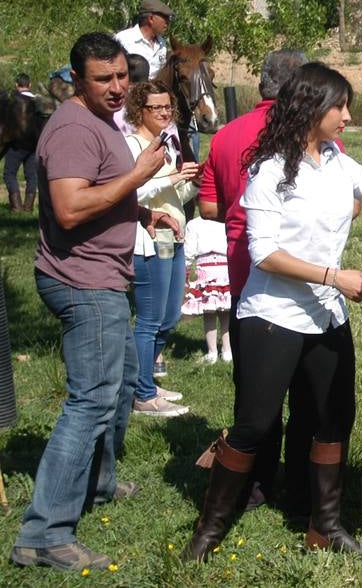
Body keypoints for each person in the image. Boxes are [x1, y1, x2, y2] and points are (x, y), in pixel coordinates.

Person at [185, 62, 362, 561]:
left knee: (333, 419)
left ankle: (324, 526)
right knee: (255, 425)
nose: (347, 115)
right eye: (339, 106)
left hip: (326, 318)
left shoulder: (340, 163)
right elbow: (263, 254)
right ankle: (209, 530)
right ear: (310, 107)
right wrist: (334, 277)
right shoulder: (270, 170)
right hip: (271, 317)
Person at [10, 33, 176, 572]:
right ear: (77, 79)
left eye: (122, 76)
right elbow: (70, 208)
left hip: (103, 274)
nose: (116, 87)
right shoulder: (76, 128)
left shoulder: (101, 122)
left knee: (120, 382)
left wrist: (141, 214)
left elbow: (99, 194)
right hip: (83, 282)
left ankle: (97, 484)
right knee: (90, 401)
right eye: (103, 79)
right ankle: (44, 532)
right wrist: (139, 177)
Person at [198, 49, 312, 515]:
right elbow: (347, 204)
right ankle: (301, 484)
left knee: (254, 393)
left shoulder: (225, 135)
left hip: (244, 276)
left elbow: (208, 206)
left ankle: (256, 484)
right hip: (301, 280)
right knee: (306, 392)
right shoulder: (309, 136)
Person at [124, 80, 200, 417]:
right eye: (157, 107)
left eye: (169, 107)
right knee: (150, 319)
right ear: (139, 110)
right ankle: (141, 393)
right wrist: (171, 179)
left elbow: (172, 198)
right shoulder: (131, 144)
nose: (165, 113)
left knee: (169, 317)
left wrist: (190, 182)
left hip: (173, 237)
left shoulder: (165, 144)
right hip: (147, 240)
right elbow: (129, 193)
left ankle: (146, 383)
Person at [181, 216, 232, 363]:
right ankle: (223, 350)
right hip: (219, 267)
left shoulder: (195, 224)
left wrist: (185, 268)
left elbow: (188, 251)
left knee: (212, 313)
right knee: (223, 313)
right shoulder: (225, 219)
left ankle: (216, 351)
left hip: (213, 267)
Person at [114, 0, 173, 81]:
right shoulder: (124, 39)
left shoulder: (162, 43)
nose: (168, 22)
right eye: (165, 18)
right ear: (151, 19)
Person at [4, 73, 39, 211]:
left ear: (16, 85)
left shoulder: (12, 101)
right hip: (34, 144)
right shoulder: (38, 101)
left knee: (9, 173)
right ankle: (29, 207)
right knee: (32, 175)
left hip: (16, 145)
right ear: (29, 85)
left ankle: (16, 206)